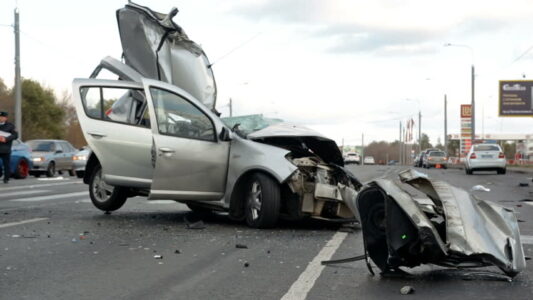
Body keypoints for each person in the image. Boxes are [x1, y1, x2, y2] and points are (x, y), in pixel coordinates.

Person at [0, 111, 18, 184]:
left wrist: (6, 139)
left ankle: (6, 178)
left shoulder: (10, 126)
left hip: (5, 148)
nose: (0, 118)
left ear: (6, 118)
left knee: (6, 164)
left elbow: (15, 136)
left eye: (2, 117)